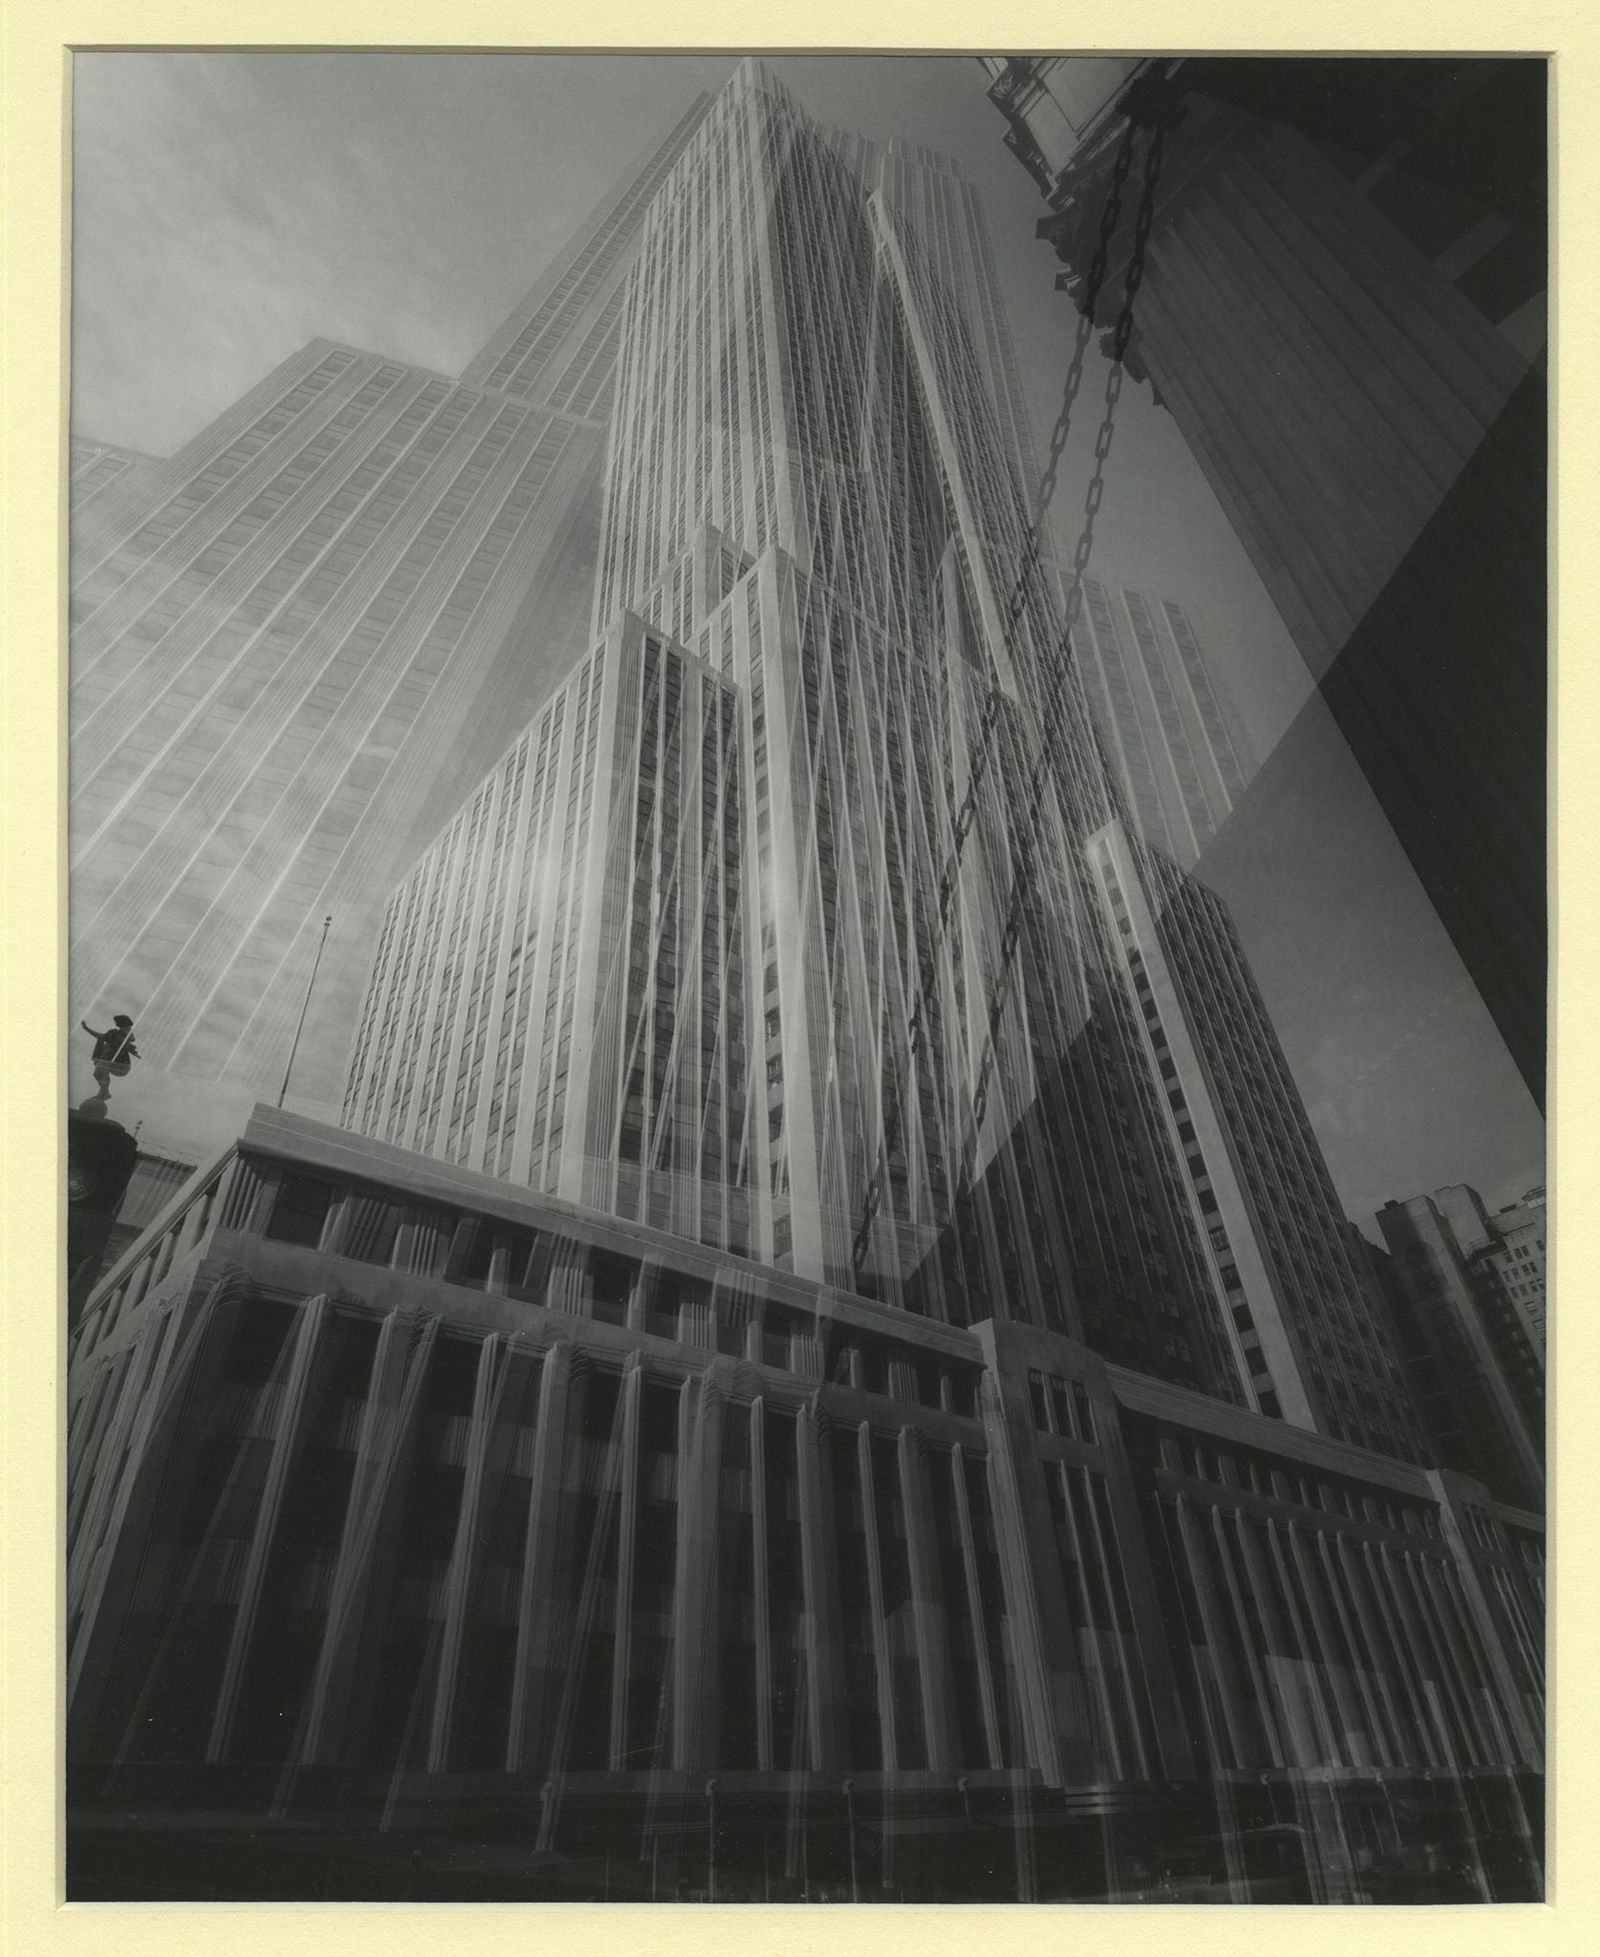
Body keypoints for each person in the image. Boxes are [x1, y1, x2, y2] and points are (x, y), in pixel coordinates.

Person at [81, 1015, 138, 1097]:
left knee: (102, 1067)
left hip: (121, 1065)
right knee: (97, 1073)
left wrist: (127, 1030)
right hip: (112, 1063)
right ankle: (104, 1091)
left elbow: (131, 1039)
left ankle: (104, 1091)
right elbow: (99, 1036)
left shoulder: (122, 1035)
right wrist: (86, 1028)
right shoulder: (113, 1034)